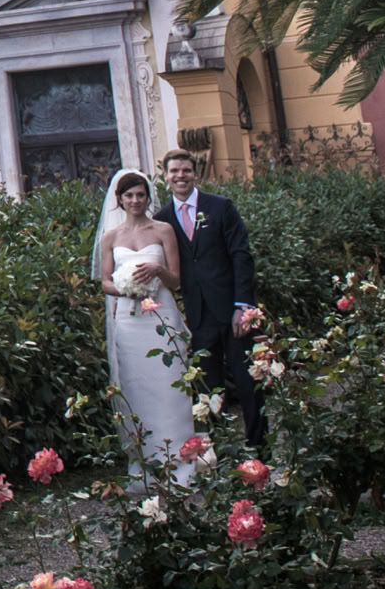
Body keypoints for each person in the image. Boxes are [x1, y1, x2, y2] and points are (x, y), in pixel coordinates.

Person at [153, 148, 265, 448]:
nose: (180, 176)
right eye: (174, 171)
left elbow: (242, 256)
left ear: (195, 173)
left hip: (232, 310)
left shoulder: (220, 207)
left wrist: (243, 306)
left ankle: (258, 447)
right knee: (209, 386)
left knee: (247, 380)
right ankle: (219, 450)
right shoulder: (161, 220)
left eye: (186, 170)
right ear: (166, 176)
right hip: (198, 314)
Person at [95, 167, 196, 487]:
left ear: (148, 198)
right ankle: (146, 463)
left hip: (161, 316)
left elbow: (176, 281)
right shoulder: (110, 238)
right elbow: (105, 282)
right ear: (120, 200)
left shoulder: (163, 230)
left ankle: (180, 462)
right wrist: (125, 288)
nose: (135, 200)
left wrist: (156, 269)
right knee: (137, 387)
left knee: (169, 384)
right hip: (129, 319)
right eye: (129, 195)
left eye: (140, 195)